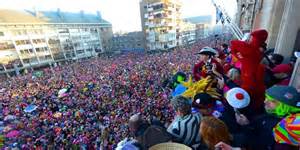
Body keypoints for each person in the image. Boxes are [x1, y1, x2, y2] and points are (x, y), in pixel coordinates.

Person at [235, 85, 300, 149]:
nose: (265, 101)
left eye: (272, 101)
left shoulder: (284, 127)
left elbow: (258, 144)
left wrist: (245, 125)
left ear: (284, 106)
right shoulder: (274, 112)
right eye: (266, 97)